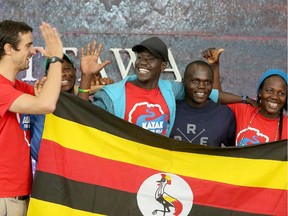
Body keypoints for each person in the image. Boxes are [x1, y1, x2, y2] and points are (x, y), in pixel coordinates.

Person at [78, 37, 219, 137]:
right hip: (125, 168)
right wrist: (86, 77)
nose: (142, 63)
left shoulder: (171, 90)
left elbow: (209, 93)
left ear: (163, 66)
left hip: (155, 171)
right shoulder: (113, 95)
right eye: (139, 57)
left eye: (150, 59)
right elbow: (83, 119)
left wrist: (241, 98)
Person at [0, 20, 63, 215]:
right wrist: (55, 59)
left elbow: (56, 97)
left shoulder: (19, 88)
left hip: (21, 195)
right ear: (9, 48)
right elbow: (46, 105)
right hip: (4, 197)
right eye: (28, 45)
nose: (33, 51)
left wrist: (89, 84)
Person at [202, 48, 287, 146]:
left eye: (281, 93)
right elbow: (216, 97)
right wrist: (214, 66)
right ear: (260, 92)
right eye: (270, 91)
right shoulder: (243, 111)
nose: (275, 97)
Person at [170, 60, 236, 146]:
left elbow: (233, 152)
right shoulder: (169, 109)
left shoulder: (224, 114)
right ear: (184, 82)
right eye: (195, 81)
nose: (202, 86)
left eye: (207, 82)